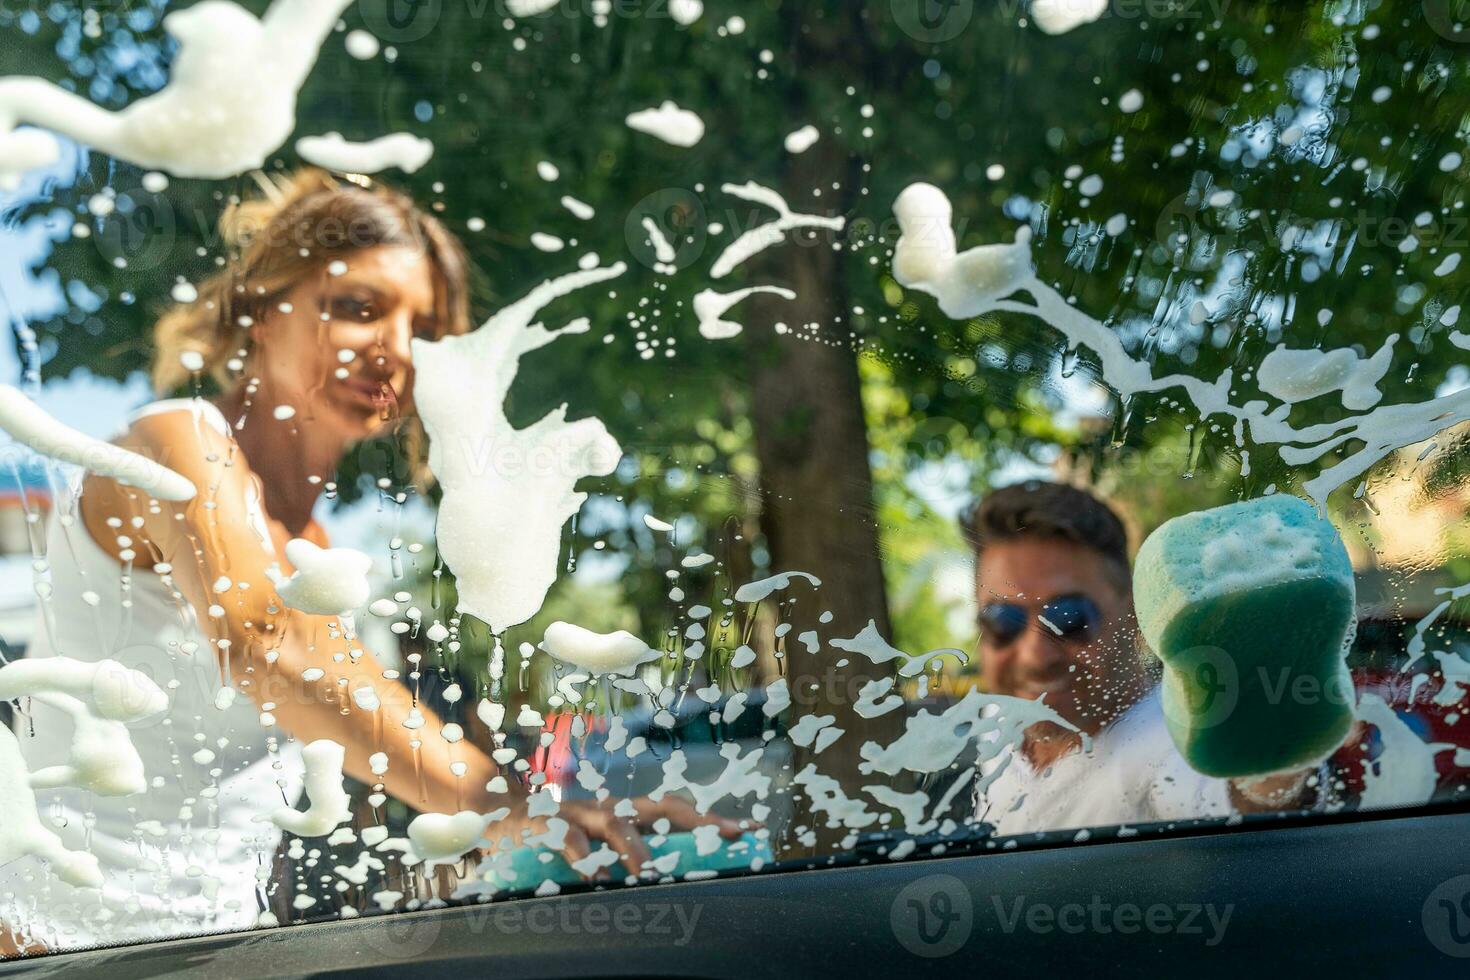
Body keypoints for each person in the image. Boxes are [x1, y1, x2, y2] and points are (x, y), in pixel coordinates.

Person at [0, 170, 736, 954]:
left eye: (421, 334)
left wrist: (530, 822)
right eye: (358, 307)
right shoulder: (177, 441)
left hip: (207, 951)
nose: (393, 352)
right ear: (264, 304)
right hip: (50, 951)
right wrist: (509, 799)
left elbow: (338, 739)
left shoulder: (316, 551)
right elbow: (263, 645)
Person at [963, 480, 1327, 837]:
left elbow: (1240, 807)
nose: (1034, 655)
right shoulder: (999, 721)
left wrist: (1276, 759)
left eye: (1068, 617)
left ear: (1135, 614)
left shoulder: (1173, 747)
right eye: (1003, 621)